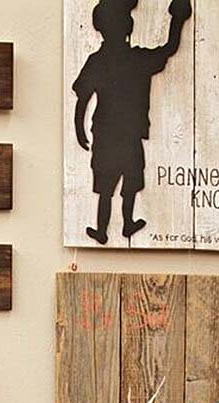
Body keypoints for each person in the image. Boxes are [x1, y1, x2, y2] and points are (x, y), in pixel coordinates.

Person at [73, 0, 192, 245]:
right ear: (128, 27)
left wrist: (80, 127)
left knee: (117, 185)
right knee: (121, 184)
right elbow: (168, 48)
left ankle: (115, 227)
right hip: (121, 135)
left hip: (112, 135)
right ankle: (111, 227)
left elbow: (84, 97)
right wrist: (177, 18)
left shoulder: (101, 60)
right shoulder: (135, 60)